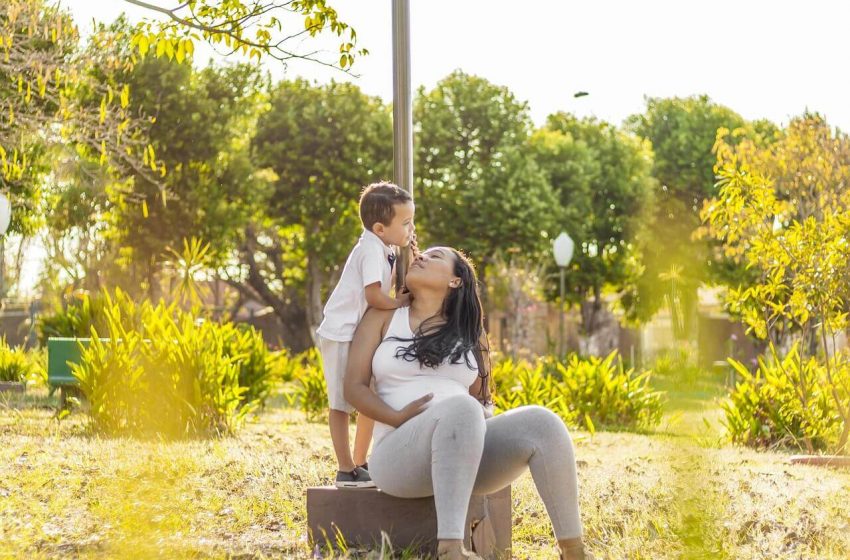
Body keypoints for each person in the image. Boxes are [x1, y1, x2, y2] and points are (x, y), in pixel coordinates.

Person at [344, 247, 589, 560]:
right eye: (422, 254)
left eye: (435, 256)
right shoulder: (384, 315)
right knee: (462, 409)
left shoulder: (470, 331)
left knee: (543, 423)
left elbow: (481, 399)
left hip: (461, 450)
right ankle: (450, 550)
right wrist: (395, 416)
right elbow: (353, 387)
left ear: (456, 281)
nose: (421, 257)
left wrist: (473, 426)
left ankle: (574, 551)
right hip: (399, 455)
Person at [317, 182, 418, 488]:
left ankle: (361, 462)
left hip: (358, 334)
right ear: (379, 227)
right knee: (341, 401)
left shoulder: (383, 247)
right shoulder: (371, 250)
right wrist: (400, 302)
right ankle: (345, 468)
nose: (411, 228)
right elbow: (374, 296)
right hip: (341, 333)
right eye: (406, 223)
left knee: (367, 396)